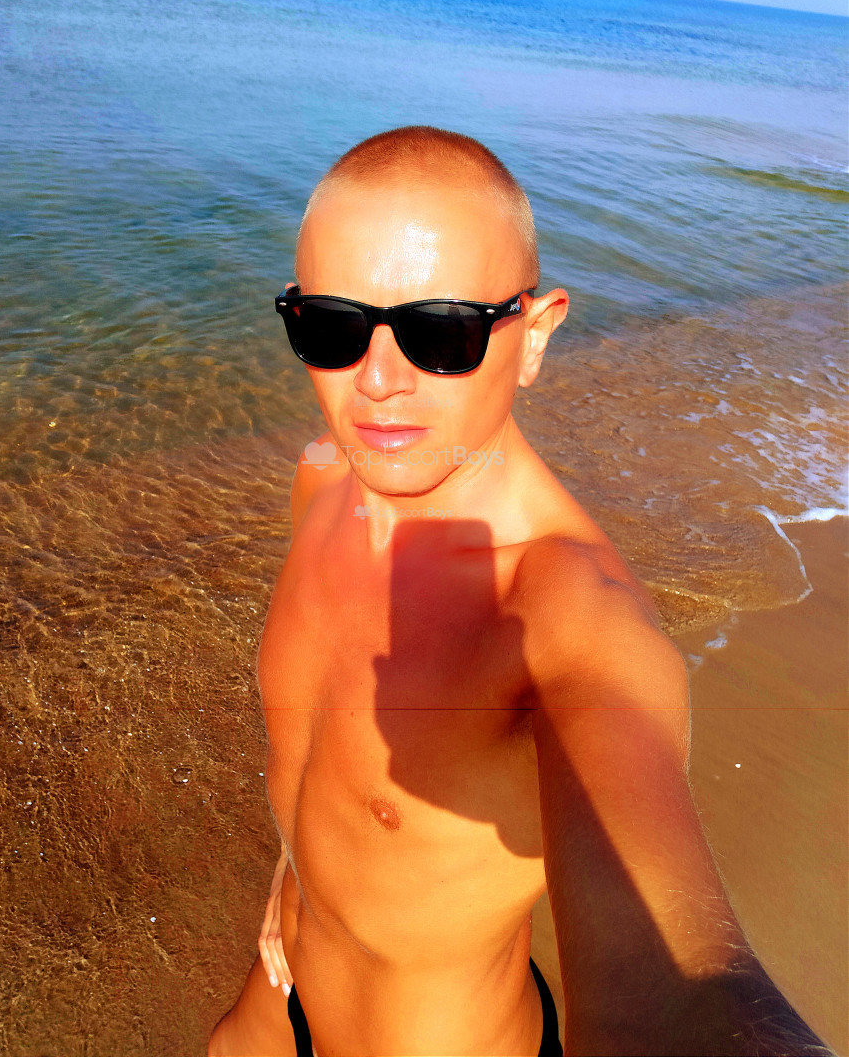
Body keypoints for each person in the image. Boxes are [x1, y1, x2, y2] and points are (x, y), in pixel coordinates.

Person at [208, 126, 830, 1057]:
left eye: (440, 333)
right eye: (332, 328)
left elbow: (674, 994)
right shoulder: (324, 475)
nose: (376, 382)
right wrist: (294, 868)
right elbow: (318, 766)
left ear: (533, 335)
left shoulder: (563, 613)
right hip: (275, 1002)